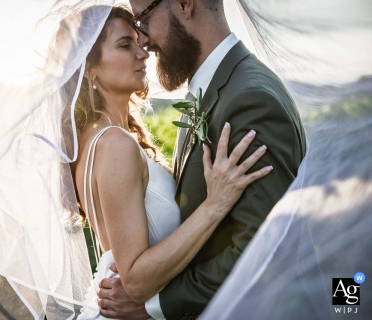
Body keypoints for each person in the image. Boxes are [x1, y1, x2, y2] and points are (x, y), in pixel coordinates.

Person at [98, 0, 307, 318]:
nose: (142, 38)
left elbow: (263, 250)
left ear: (184, 4)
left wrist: (154, 305)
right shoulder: (205, 94)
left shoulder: (249, 101)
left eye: (143, 18)